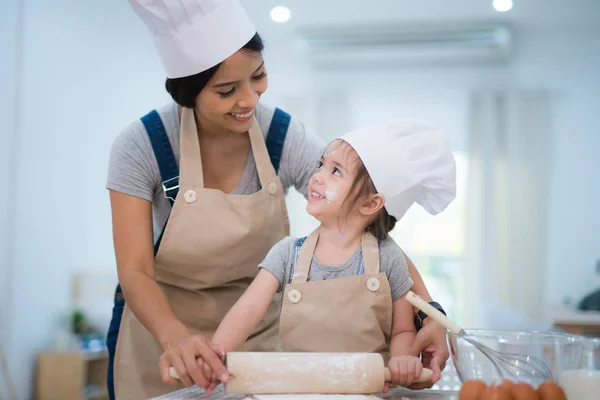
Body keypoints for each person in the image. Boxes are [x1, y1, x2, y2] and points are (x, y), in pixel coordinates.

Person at [105, 0, 451, 398]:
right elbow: (135, 272)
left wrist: (432, 314)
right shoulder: (143, 146)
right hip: (161, 333)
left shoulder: (281, 137)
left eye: (258, 76)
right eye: (226, 90)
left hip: (259, 340)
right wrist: (174, 337)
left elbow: (362, 217)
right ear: (189, 94)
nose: (249, 100)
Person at [192, 119, 456, 392]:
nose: (317, 176)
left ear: (371, 203)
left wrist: (403, 361)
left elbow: (402, 330)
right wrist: (216, 352)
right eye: (321, 165)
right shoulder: (287, 254)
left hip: (366, 393)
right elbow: (247, 310)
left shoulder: (388, 259)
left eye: (336, 171)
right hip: (296, 392)